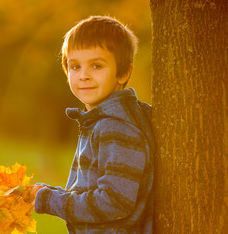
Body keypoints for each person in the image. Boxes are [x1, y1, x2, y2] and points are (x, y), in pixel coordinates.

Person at [31, 15, 155, 234]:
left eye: (96, 66)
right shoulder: (100, 122)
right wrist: (47, 193)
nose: (84, 76)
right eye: (75, 66)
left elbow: (114, 202)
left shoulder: (117, 127)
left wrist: (52, 200)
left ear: (124, 72)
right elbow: (93, 190)